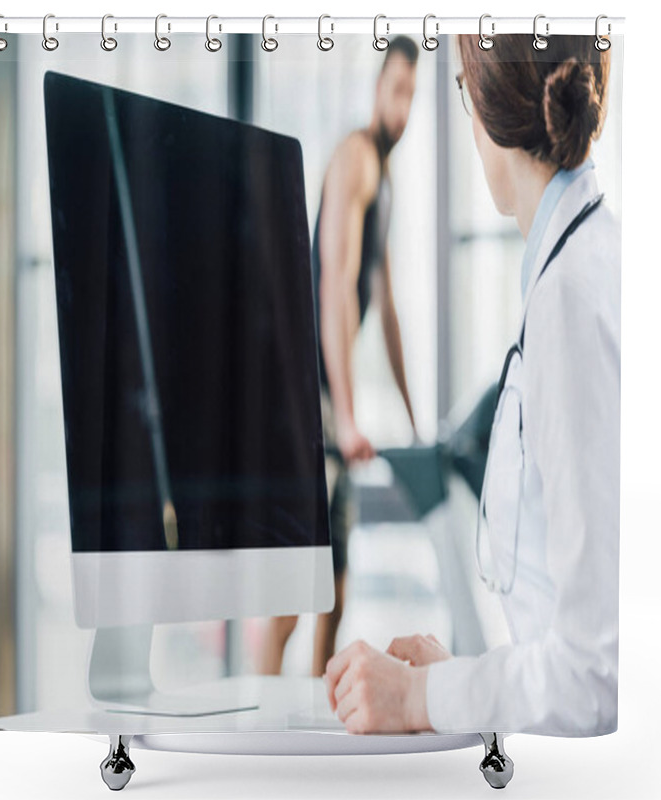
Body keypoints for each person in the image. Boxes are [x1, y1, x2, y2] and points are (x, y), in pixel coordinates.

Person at [323, 33, 620, 736]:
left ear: (485, 107)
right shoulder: (583, 261)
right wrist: (456, 678)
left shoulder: (569, 300)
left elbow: (592, 678)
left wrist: (421, 698)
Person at [258, 36, 420, 679]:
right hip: (307, 400)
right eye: (398, 91)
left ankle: (311, 725)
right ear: (377, 87)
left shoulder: (388, 179)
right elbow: (335, 286)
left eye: (414, 94)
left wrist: (413, 419)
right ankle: (259, 729)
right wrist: (346, 418)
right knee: (293, 596)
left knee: (335, 590)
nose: (404, 108)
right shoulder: (355, 157)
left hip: (332, 402)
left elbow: (387, 308)